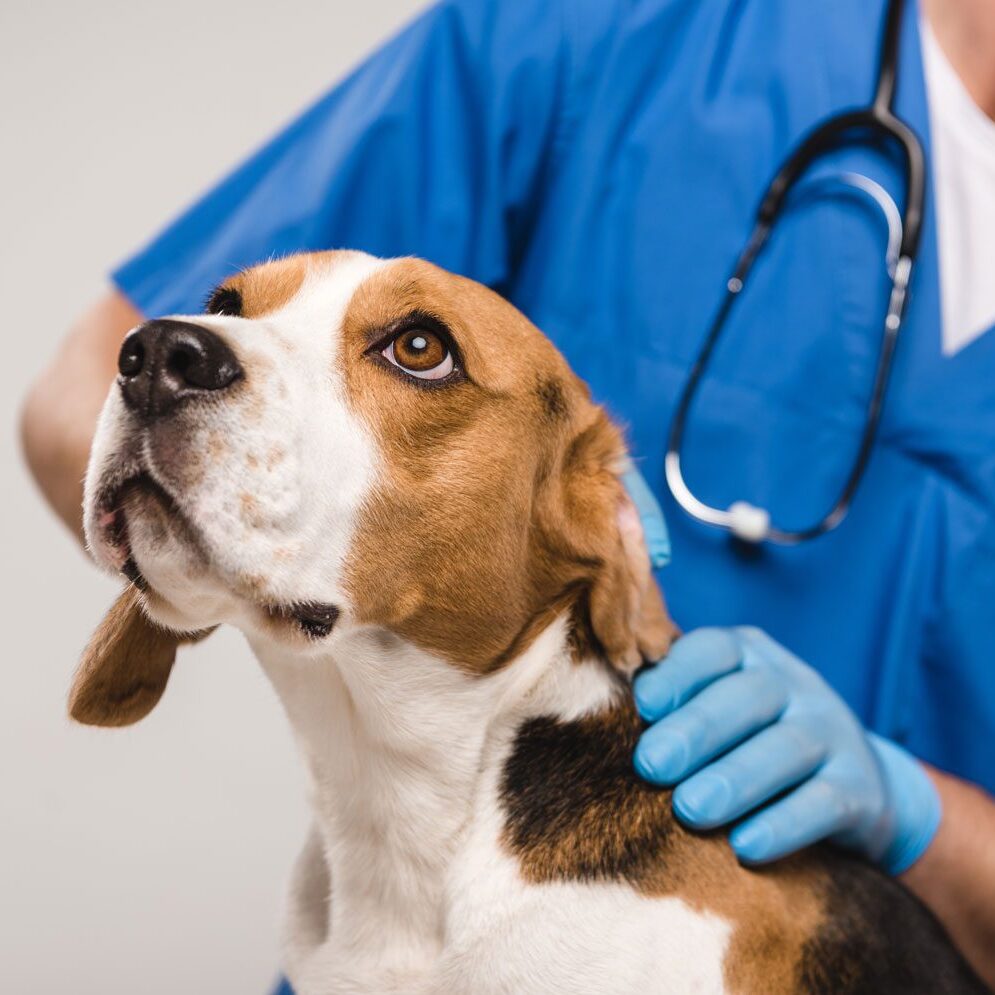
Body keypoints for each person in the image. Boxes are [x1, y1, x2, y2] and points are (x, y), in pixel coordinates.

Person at [21, 0, 995, 987]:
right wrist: (223, 552)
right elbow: (80, 396)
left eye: (414, 347)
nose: (183, 351)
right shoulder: (600, 31)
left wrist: (922, 815)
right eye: (231, 306)